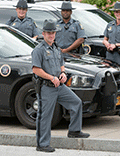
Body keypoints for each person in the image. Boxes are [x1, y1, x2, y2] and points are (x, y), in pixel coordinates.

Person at [32, 19, 90, 153]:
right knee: (45, 116)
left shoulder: (56, 48)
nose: (51, 35)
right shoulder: (39, 50)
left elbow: (61, 63)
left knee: (76, 102)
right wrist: (51, 77)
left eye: (53, 32)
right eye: (48, 33)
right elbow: (36, 69)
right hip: (46, 87)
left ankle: (74, 130)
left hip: (59, 85)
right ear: (43, 33)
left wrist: (63, 73)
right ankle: (42, 144)